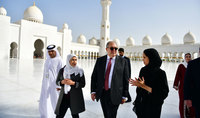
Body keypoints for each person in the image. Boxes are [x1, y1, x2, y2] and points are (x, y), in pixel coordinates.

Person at [91, 41, 129, 118]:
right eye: (112, 48)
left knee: (112, 115)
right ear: (106, 49)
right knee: (106, 114)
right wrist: (93, 91)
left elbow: (126, 79)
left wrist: (124, 95)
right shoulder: (100, 60)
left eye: (116, 48)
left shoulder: (123, 61)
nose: (114, 50)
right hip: (103, 93)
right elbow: (94, 76)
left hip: (116, 93)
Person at [129, 48, 169, 118]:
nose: (142, 59)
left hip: (154, 107)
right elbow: (139, 91)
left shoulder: (161, 73)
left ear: (151, 58)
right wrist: (139, 86)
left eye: (144, 57)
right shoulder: (143, 70)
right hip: (142, 105)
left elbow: (163, 93)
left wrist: (143, 86)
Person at [39, 44, 63, 118]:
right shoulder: (47, 60)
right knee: (44, 99)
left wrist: (60, 85)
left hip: (55, 84)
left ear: (55, 51)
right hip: (45, 83)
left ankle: (55, 115)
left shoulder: (59, 60)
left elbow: (62, 73)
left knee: (55, 99)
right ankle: (45, 115)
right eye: (49, 51)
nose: (50, 53)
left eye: (52, 51)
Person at [173, 53, 195, 118]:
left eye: (189, 57)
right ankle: (183, 115)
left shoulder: (193, 65)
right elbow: (177, 75)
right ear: (184, 58)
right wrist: (176, 84)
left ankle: (191, 114)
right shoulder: (181, 66)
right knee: (182, 100)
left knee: (191, 100)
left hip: (191, 87)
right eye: (186, 57)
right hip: (183, 86)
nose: (188, 58)